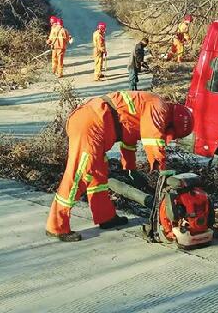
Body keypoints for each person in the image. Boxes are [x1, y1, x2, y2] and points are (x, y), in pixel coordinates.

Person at [45, 91, 194, 242]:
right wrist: (162, 175)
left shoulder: (150, 107)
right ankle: (56, 226)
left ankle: (105, 216)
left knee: (98, 174)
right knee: (79, 175)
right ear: (172, 124)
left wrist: (130, 168)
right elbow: (153, 142)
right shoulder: (159, 107)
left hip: (95, 123)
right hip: (91, 124)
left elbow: (128, 139)